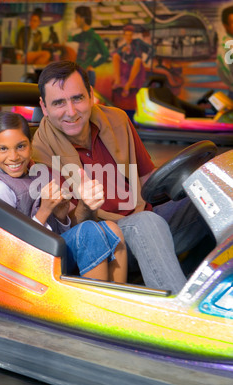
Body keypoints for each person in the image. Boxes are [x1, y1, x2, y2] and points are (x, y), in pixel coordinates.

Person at [32, 60, 213, 294]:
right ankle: (178, 318)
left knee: (216, 197)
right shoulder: (40, 150)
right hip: (107, 238)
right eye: (58, 103)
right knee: (145, 222)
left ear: (91, 96)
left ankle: (205, 289)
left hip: (148, 218)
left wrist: (187, 181)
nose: (71, 111)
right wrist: (86, 206)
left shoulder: (117, 120)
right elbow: (70, 230)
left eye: (77, 98)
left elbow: (148, 179)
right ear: (44, 107)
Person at [0, 111, 127, 283]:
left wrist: (60, 215)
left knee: (112, 229)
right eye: (3, 149)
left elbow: (57, 231)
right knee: (89, 232)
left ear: (31, 145)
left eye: (21, 146)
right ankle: (97, 305)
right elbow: (11, 248)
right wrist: (45, 210)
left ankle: (119, 297)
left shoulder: (36, 173)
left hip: (50, 248)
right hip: (26, 262)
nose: (13, 157)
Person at [68, 6, 109, 86]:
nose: (75, 20)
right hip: (78, 73)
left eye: (77, 17)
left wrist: (92, 65)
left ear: (83, 18)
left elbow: (106, 54)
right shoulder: (81, 35)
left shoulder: (94, 37)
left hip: (87, 75)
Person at [112, 24, 153, 97]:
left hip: (137, 65)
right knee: (115, 56)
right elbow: (112, 54)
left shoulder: (138, 42)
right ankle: (117, 81)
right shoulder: (124, 45)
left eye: (130, 35)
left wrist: (146, 61)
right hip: (128, 65)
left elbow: (152, 49)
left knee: (137, 60)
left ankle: (127, 85)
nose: (128, 37)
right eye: (127, 35)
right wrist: (121, 51)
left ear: (133, 35)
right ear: (124, 36)